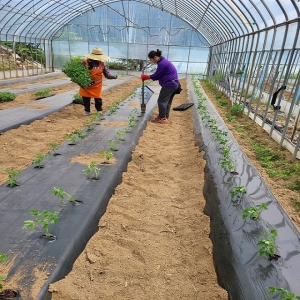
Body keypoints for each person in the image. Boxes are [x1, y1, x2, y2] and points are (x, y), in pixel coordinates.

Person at [141, 49, 179, 124]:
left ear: (155, 57)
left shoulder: (162, 63)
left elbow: (157, 75)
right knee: (167, 102)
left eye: (151, 59)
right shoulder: (164, 62)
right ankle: (165, 116)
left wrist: (147, 76)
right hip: (174, 84)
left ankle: (162, 118)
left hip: (169, 85)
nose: (152, 61)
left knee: (161, 101)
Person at [79, 47, 118, 116]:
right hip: (86, 84)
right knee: (86, 98)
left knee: (98, 98)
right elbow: (79, 73)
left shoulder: (102, 64)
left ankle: (99, 110)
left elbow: (107, 74)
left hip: (97, 85)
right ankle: (87, 111)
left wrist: (113, 77)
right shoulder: (84, 63)